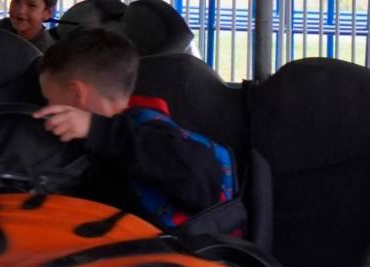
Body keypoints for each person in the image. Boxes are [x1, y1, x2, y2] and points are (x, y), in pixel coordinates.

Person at [32, 27, 236, 231]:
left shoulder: (144, 132)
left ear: (78, 94)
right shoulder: (99, 141)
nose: (47, 108)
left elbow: (200, 180)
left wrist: (96, 129)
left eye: (49, 98)